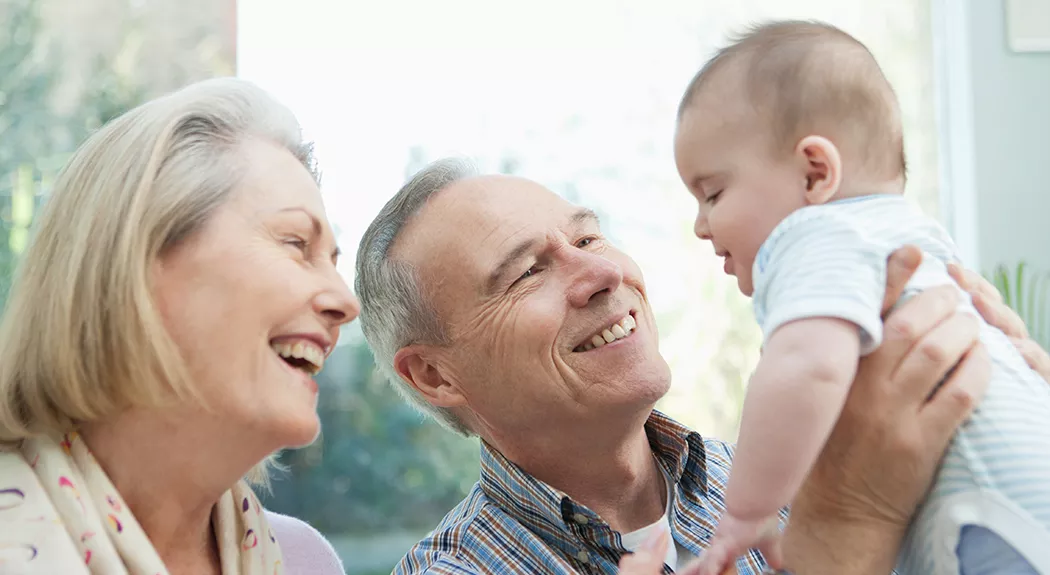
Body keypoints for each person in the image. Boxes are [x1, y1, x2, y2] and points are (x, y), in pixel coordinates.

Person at [354, 158, 1050, 574]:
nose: (602, 272)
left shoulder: (791, 474)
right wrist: (846, 531)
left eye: (588, 235)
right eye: (527, 271)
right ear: (434, 376)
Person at [674, 21, 1050, 575]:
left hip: (993, 518)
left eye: (713, 194)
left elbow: (809, 367)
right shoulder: (908, 235)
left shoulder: (815, 235)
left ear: (815, 172)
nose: (701, 226)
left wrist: (746, 512)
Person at [0, 78, 357, 574]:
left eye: (333, 261)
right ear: (135, 262)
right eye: (296, 243)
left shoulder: (306, 562)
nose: (345, 301)